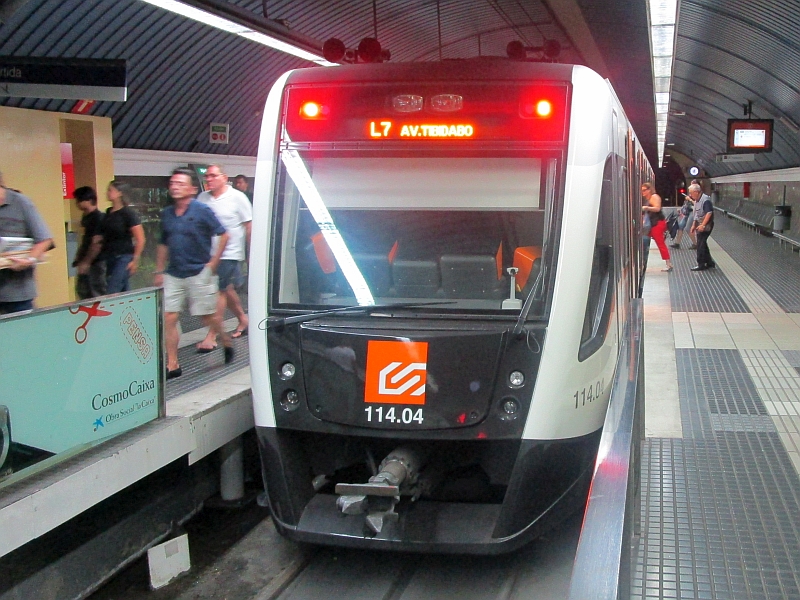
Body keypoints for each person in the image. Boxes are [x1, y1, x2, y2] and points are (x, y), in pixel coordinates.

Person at [155, 168, 234, 379]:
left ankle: (225, 339)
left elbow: (224, 234)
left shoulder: (202, 210)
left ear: (191, 189)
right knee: (169, 317)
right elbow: (163, 243)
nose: (175, 186)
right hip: (174, 273)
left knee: (206, 317)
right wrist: (159, 269)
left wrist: (214, 261)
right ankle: (172, 363)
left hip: (199, 271)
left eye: (180, 183)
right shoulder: (167, 214)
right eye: (172, 183)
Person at [196, 164, 252, 352]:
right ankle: (243, 319)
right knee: (226, 289)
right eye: (207, 177)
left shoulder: (238, 198)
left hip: (230, 252)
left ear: (223, 177)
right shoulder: (202, 199)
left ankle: (212, 336)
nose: (209, 179)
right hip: (208, 253)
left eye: (213, 176)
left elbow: (248, 226)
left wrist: (250, 253)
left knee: (218, 291)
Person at [0, 170, 54, 315]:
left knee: (22, 335)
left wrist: (29, 260)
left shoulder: (21, 202)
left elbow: (44, 240)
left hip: (17, 294)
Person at [104, 181, 145, 293]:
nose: (107, 193)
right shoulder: (109, 212)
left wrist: (135, 260)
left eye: (110, 190)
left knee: (113, 289)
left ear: (119, 193)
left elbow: (140, 239)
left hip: (124, 257)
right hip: (110, 256)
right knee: (122, 290)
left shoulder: (128, 214)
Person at [72, 186, 107, 299]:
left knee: (96, 294)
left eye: (79, 200)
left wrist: (86, 262)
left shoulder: (98, 218)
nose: (77, 203)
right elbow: (85, 240)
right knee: (83, 292)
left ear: (89, 200)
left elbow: (96, 243)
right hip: (85, 260)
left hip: (96, 262)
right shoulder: (86, 218)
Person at [641, 182, 673, 272]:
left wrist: (646, 208)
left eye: (644, 190)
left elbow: (657, 208)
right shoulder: (650, 198)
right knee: (647, 239)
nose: (642, 192)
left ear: (649, 190)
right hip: (654, 224)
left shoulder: (654, 197)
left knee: (660, 244)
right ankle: (643, 259)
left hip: (657, 224)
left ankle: (668, 264)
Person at [688, 183, 716, 271]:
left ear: (696, 192)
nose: (690, 195)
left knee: (700, 244)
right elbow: (696, 214)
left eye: (691, 193)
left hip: (706, 225)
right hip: (700, 224)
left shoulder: (705, 200)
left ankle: (701, 264)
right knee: (703, 243)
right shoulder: (697, 200)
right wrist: (693, 225)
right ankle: (710, 263)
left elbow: (709, 213)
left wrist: (703, 225)